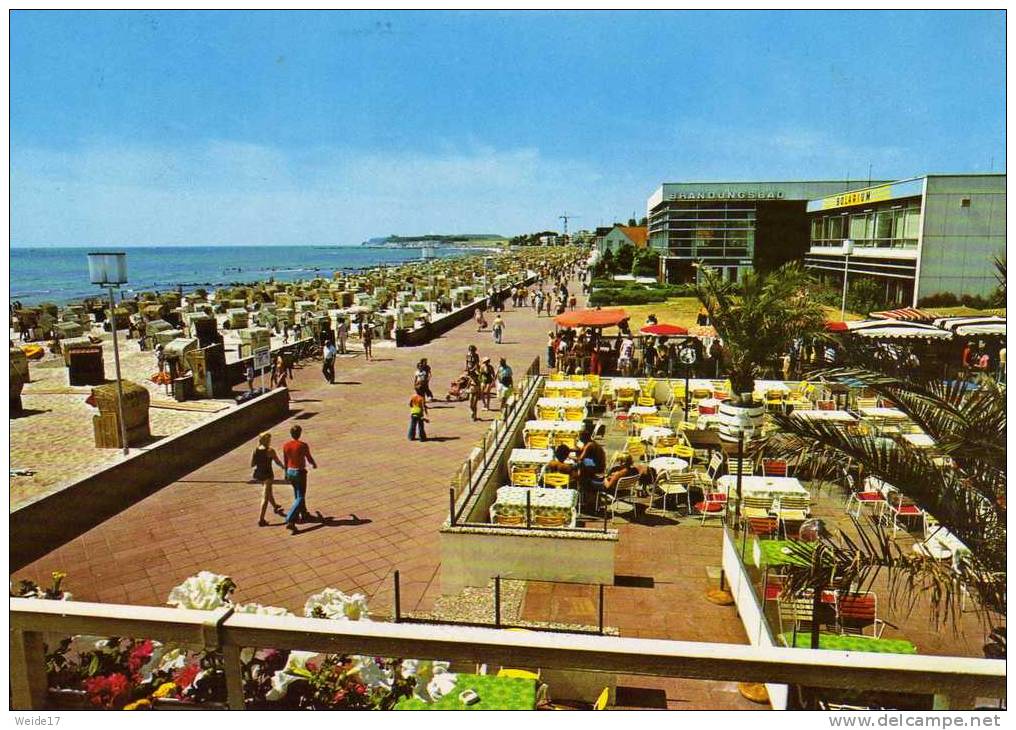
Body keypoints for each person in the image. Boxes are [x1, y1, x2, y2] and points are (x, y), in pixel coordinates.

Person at [282, 425, 318, 532]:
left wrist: (285, 472)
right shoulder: (302, 445)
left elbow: (285, 460)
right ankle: (290, 519)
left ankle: (304, 513)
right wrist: (313, 464)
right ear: (300, 433)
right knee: (301, 496)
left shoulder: (286, 445)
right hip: (300, 472)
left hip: (290, 471)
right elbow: (308, 457)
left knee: (297, 494)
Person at [251, 432, 285, 526]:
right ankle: (261, 519)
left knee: (268, 491)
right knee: (265, 496)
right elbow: (277, 461)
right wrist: (283, 467)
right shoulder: (270, 451)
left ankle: (275, 506)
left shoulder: (255, 450)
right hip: (268, 475)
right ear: (267, 441)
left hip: (259, 474)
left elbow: (252, 464)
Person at [574, 429, 606, 513]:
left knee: (579, 468)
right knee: (582, 466)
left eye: (580, 438)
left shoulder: (589, 445)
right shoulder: (592, 443)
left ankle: (583, 492)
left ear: (584, 438)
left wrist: (569, 456)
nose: (580, 440)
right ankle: (584, 495)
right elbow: (582, 450)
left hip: (597, 469)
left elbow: (580, 458)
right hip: (598, 465)